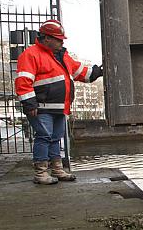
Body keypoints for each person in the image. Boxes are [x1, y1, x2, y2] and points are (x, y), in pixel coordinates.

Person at [14, 19, 103, 184]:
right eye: (58, 39)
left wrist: (97, 72)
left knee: (55, 138)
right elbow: (23, 81)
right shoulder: (31, 54)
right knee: (44, 136)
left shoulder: (62, 56)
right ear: (47, 38)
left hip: (59, 107)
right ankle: (41, 173)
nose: (62, 42)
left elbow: (79, 71)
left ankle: (57, 169)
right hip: (41, 107)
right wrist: (29, 103)